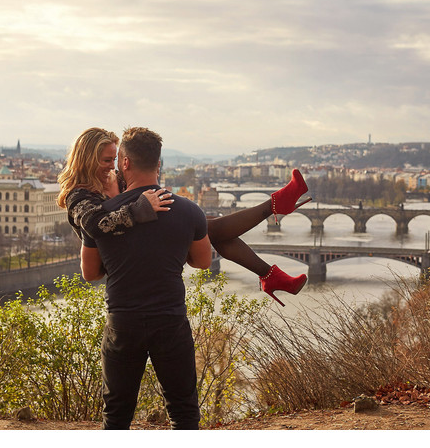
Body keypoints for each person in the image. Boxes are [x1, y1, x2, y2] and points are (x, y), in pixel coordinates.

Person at [57, 127, 311, 306]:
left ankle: (270, 270)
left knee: (202, 227)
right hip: (111, 256)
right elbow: (94, 225)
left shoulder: (115, 178)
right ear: (87, 159)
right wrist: (139, 209)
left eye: (114, 159)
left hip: (141, 241)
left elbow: (139, 183)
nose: (111, 166)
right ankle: (275, 211)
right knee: (203, 227)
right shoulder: (78, 194)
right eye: (105, 160)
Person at [68, 127, 211, 429]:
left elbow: (90, 273)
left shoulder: (101, 215)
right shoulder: (189, 211)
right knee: (184, 411)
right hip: (170, 319)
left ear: (125, 164)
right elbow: (203, 261)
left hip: (124, 322)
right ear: (159, 164)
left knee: (117, 415)